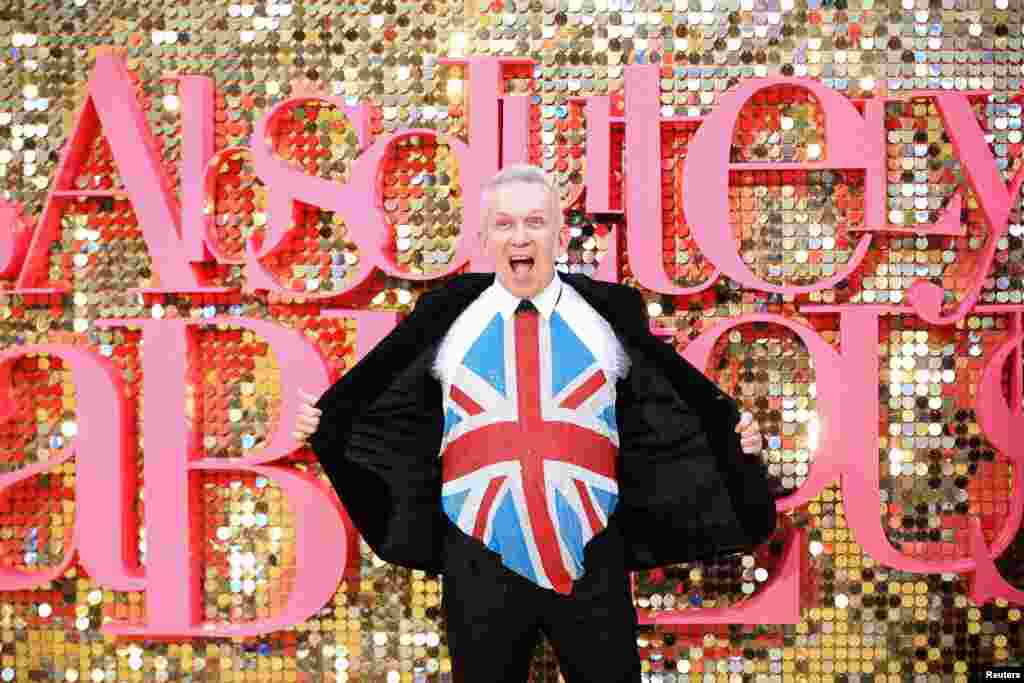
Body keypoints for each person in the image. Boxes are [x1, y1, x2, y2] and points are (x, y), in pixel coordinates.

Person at [294, 164, 777, 682]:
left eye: (535, 222)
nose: (520, 237)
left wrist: (729, 438)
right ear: (484, 237)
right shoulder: (446, 312)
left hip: (591, 551)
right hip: (477, 557)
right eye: (504, 224)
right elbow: (391, 414)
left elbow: (664, 410)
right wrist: (327, 425)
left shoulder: (609, 308)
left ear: (558, 232)